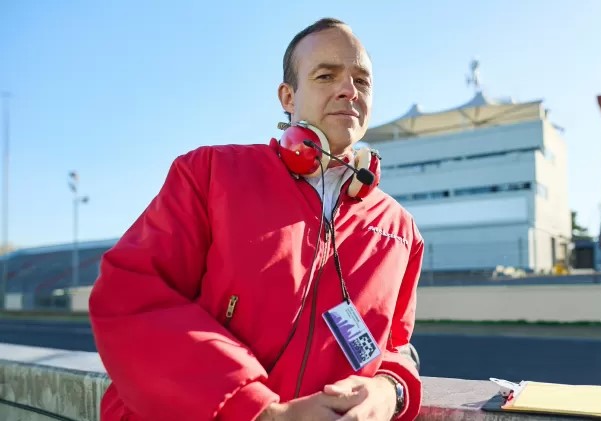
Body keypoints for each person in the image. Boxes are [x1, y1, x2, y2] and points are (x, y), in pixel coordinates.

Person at [89, 17, 425, 421]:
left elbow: (396, 347)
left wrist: (390, 389)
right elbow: (132, 294)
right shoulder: (210, 173)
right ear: (287, 96)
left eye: (362, 80)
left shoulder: (399, 229)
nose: (349, 90)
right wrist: (261, 412)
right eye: (326, 75)